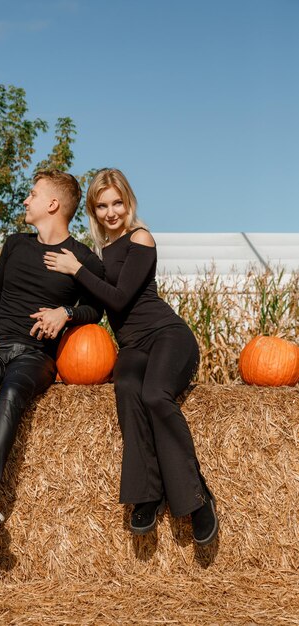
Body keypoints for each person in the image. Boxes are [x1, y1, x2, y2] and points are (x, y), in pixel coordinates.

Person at [43, 168, 218, 546]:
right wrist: (64, 312)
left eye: (117, 202)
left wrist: (77, 269)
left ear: (128, 202)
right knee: (126, 389)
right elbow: (94, 302)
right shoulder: (100, 252)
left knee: (155, 394)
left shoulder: (141, 237)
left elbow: (119, 298)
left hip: (167, 335)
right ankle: (148, 494)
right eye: (102, 205)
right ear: (93, 209)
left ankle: (196, 495)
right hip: (132, 347)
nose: (111, 212)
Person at [0, 170, 104, 539]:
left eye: (32, 194)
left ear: (53, 204)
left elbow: (96, 310)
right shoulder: (15, 244)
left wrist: (65, 314)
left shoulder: (82, 258)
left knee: (12, 395)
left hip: (36, 356)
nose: (25, 201)